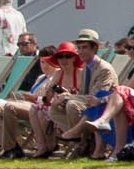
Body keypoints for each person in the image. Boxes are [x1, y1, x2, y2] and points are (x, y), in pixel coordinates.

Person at [43, 29, 118, 157]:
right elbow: (83, 94)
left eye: (85, 47)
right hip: (88, 106)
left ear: (94, 49)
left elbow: (97, 96)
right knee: (54, 109)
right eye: (79, 48)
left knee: (71, 104)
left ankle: (82, 142)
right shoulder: (86, 68)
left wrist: (68, 97)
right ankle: (82, 139)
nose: (81, 51)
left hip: (104, 107)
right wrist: (63, 99)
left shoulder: (103, 69)